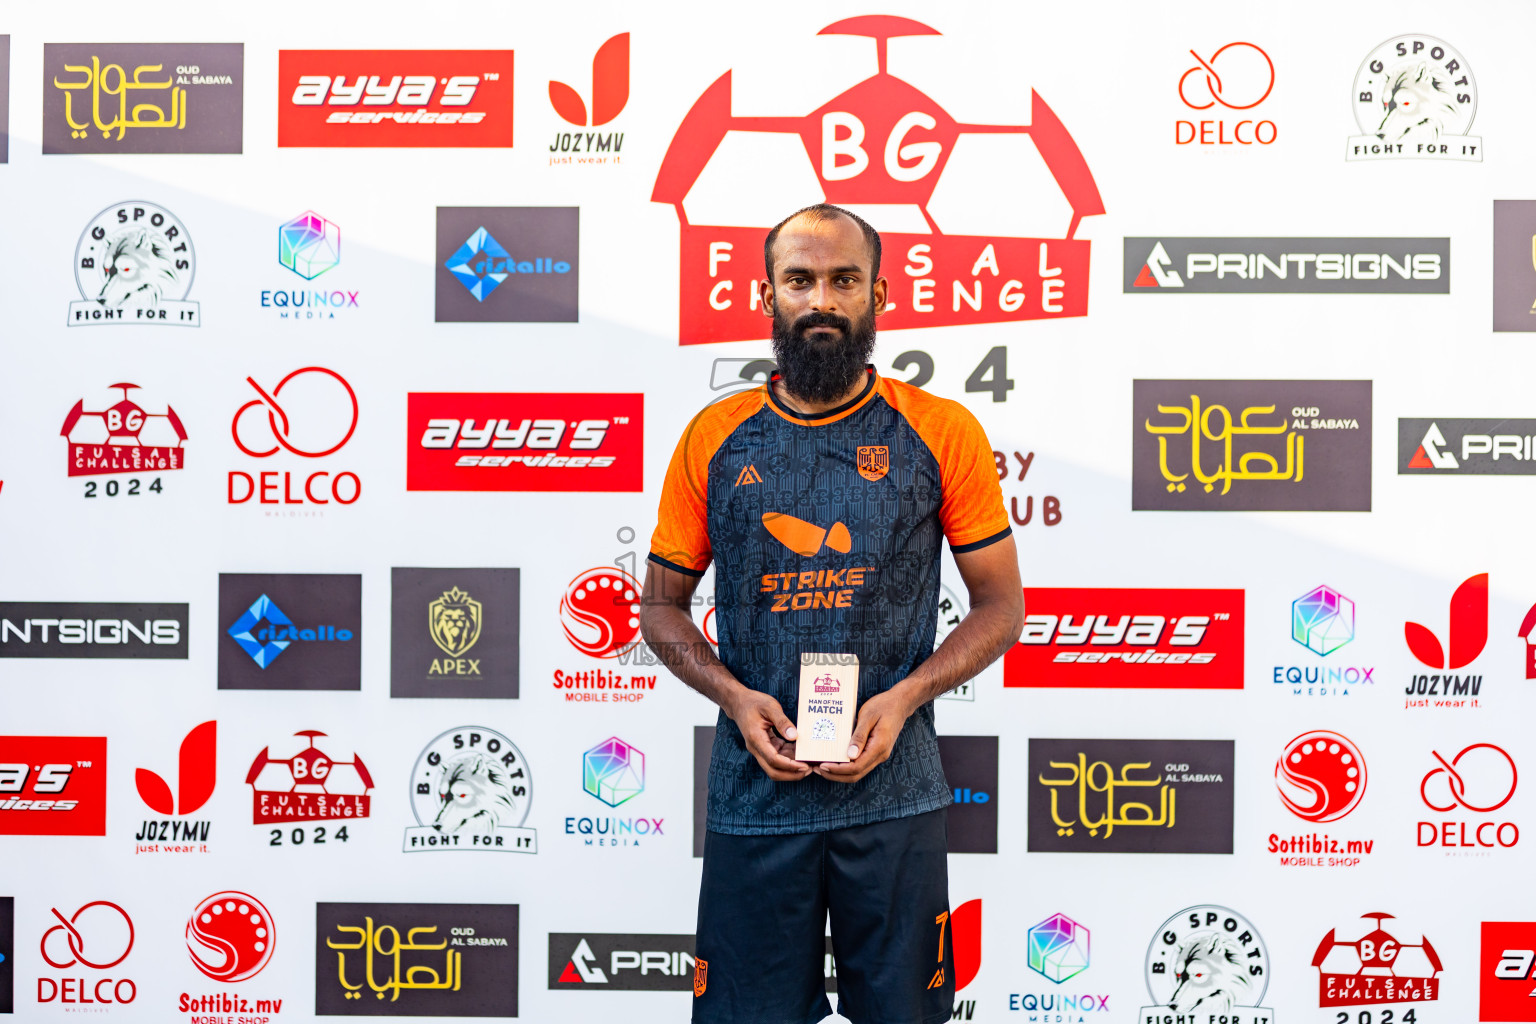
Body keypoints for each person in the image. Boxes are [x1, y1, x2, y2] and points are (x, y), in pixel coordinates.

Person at [641, 203, 1023, 1024]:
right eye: (800, 280)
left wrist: (907, 697)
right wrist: (737, 702)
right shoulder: (715, 436)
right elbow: (661, 609)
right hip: (757, 796)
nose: (822, 299)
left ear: (879, 293)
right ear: (766, 295)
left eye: (844, 280)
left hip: (895, 795)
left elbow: (1000, 606)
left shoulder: (941, 431)